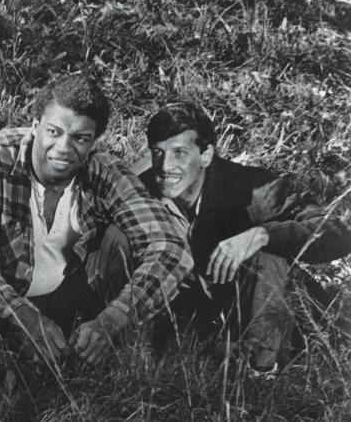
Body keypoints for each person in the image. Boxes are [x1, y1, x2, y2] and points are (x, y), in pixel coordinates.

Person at [0, 74, 194, 367]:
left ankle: (110, 357)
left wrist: (114, 319)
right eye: (54, 131)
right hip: (7, 301)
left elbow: (171, 248)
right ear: (36, 125)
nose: (64, 147)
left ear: (93, 142)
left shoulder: (103, 170)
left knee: (121, 239)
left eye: (80, 138)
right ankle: (12, 363)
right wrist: (22, 316)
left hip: (76, 302)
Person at [138, 102, 351, 373]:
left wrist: (261, 235)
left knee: (267, 253)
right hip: (192, 321)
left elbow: (336, 234)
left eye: (180, 153)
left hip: (260, 316)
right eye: (158, 152)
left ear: (206, 155)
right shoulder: (143, 187)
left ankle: (260, 374)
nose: (166, 166)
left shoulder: (253, 189)